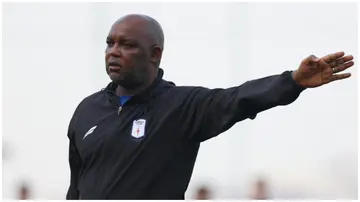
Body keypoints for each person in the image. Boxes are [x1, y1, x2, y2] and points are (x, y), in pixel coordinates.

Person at [66, 14, 354, 199]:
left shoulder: (182, 107)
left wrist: (293, 81)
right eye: (110, 43)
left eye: (127, 45)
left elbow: (238, 98)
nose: (114, 51)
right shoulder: (87, 111)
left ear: (155, 54)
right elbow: (76, 188)